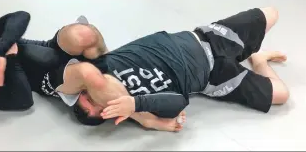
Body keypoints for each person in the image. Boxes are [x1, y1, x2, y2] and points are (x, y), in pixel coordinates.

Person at [0, 11, 187, 132]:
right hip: (50, 78)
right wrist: (11, 59)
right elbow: (23, 101)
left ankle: (109, 64)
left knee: (82, 33)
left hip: (48, 51)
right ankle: (145, 118)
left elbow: (20, 17)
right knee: (86, 75)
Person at [56, 7, 290, 126]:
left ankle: (249, 52)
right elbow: (179, 102)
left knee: (272, 13)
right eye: (104, 109)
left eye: (90, 98)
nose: (102, 99)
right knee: (282, 95)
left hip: (205, 38)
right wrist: (135, 106)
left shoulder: (100, 64)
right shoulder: (140, 105)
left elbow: (84, 32)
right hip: (214, 77)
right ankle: (259, 60)